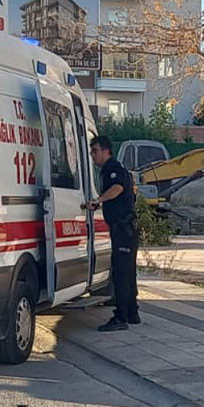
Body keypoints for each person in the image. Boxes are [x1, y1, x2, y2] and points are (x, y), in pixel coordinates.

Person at [88, 136, 139, 332]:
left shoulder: (113, 168)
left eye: (95, 151)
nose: (92, 155)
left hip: (123, 229)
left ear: (106, 150)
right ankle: (132, 313)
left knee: (121, 273)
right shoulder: (109, 169)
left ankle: (121, 317)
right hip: (125, 229)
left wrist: (98, 200)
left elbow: (117, 188)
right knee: (128, 272)